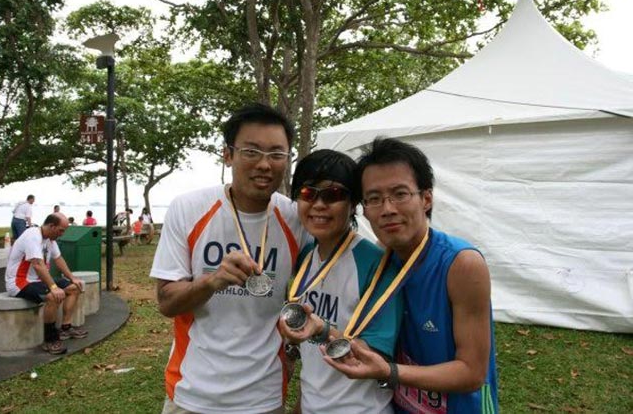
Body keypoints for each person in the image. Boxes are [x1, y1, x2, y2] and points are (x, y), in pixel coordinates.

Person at [150, 103, 308, 414]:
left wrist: (292, 351)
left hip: (264, 396)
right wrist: (213, 280)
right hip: (193, 392)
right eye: (251, 151)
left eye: (277, 154)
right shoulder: (189, 208)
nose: (265, 164)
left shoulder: (295, 218)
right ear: (228, 155)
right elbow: (166, 303)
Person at [324, 138, 498, 414]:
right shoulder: (380, 260)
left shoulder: (461, 264)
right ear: (365, 210)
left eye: (400, 194)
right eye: (374, 199)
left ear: (426, 198)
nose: (388, 209)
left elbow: (472, 373)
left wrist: (390, 372)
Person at [278, 150, 402, 414]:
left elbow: (375, 357)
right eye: (308, 194)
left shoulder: (375, 264)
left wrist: (322, 330)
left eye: (333, 194)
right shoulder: (306, 258)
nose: (319, 205)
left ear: (353, 203)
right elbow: (314, 360)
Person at [4, 213, 88, 355]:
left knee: (74, 288)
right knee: (53, 296)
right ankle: (50, 340)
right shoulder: (32, 236)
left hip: (38, 280)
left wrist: (72, 278)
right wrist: (54, 287)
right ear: (51, 226)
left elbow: (59, 259)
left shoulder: (50, 239)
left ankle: (66, 328)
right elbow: (37, 264)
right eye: (61, 230)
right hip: (19, 282)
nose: (62, 234)